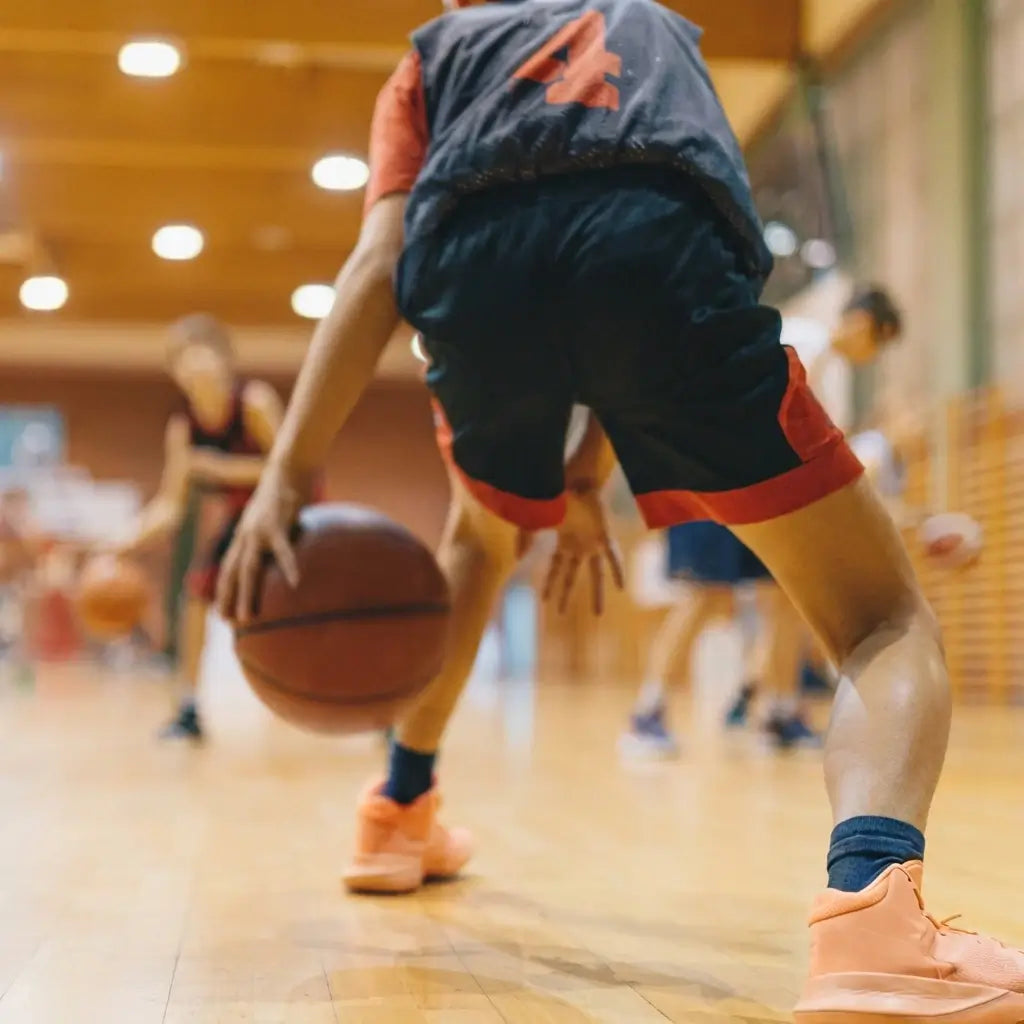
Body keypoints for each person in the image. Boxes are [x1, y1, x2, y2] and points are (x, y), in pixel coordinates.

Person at [217, 1, 1024, 1018]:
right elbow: (646, 246)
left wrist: (286, 478)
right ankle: (870, 914)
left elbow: (382, 264)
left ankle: (398, 805)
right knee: (881, 617)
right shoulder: (656, 29)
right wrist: (596, 464)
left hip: (475, 275)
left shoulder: (435, 52)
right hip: (660, 265)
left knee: (478, 537)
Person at [625, 287, 905, 756]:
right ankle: (646, 715)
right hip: (714, 477)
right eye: (877, 343)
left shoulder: (831, 376)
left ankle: (776, 713)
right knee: (706, 597)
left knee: (787, 598)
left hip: (765, 493)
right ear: (861, 324)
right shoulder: (797, 339)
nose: (871, 356)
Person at [119, 314, 283, 740]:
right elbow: (170, 507)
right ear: (174, 372)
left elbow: (293, 472)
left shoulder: (254, 402)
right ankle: (189, 708)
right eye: (183, 360)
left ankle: (383, 710)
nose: (195, 367)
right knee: (195, 596)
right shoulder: (183, 426)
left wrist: (223, 469)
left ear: (225, 360)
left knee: (325, 609)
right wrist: (124, 541)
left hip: (291, 513)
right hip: (243, 522)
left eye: (202, 355)